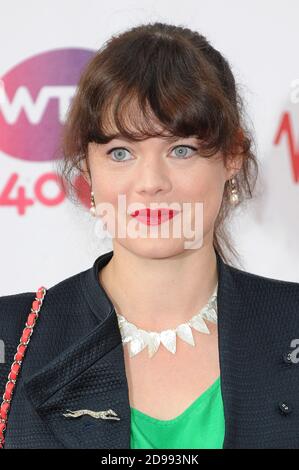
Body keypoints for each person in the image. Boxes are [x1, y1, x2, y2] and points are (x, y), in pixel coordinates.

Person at [1, 22, 299, 450]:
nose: (151, 182)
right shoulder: (11, 339)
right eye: (120, 152)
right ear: (87, 169)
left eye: (181, 150)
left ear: (232, 156)